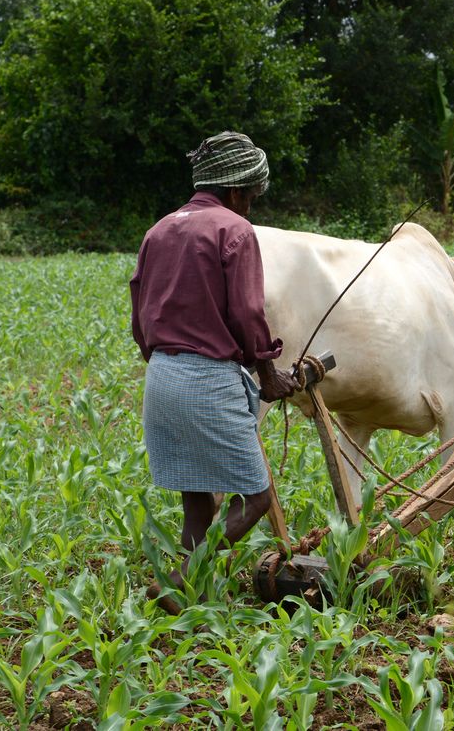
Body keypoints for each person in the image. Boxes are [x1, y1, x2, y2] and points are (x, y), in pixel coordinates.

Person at [129, 131, 298, 613]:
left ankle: (194, 602)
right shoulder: (234, 230)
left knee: (197, 500)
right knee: (256, 497)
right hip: (209, 379)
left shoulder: (159, 230)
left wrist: (167, 363)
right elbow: (248, 314)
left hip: (161, 377)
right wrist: (268, 377)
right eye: (252, 198)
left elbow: (138, 312)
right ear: (240, 190)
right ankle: (182, 580)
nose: (250, 207)